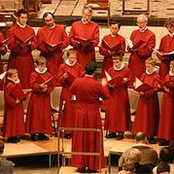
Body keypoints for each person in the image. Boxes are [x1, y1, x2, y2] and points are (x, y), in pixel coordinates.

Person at [70, 61, 109, 173]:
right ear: (94, 72)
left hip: (80, 112)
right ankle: (92, 165)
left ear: (85, 71)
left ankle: (80, 165)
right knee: (92, 137)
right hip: (92, 113)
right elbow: (105, 96)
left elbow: (71, 90)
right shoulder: (96, 84)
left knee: (80, 137)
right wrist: (104, 84)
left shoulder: (78, 81)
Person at [104, 54, 134, 140]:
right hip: (113, 94)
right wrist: (109, 85)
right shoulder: (110, 70)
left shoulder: (126, 70)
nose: (116, 64)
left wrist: (126, 80)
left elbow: (131, 82)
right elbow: (108, 81)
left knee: (120, 113)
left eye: (117, 62)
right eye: (114, 62)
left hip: (121, 94)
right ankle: (112, 131)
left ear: (121, 61)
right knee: (112, 112)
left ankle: (120, 131)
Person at [7, 8, 38, 89]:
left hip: (28, 58)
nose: (24, 20)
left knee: (28, 80)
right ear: (18, 18)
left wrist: (30, 44)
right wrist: (19, 45)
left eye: (26, 18)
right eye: (22, 18)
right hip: (16, 58)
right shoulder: (12, 30)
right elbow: (10, 45)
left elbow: (35, 43)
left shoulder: (30, 29)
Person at [57, 48, 85, 139]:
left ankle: (76, 130)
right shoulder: (63, 66)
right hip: (67, 90)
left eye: (74, 57)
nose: (73, 59)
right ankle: (67, 131)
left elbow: (82, 77)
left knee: (76, 111)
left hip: (76, 92)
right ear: (68, 57)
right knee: (67, 111)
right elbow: (59, 80)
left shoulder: (79, 66)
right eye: (71, 57)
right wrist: (64, 77)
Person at [25, 57, 54, 141]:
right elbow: (32, 84)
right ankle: (34, 133)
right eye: (40, 66)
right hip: (36, 98)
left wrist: (47, 89)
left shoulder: (48, 74)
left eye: (43, 65)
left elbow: (52, 86)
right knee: (36, 116)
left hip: (45, 98)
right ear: (37, 65)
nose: (42, 67)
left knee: (44, 116)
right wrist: (39, 87)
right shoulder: (33, 74)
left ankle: (42, 133)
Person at [132, 57, 160, 144]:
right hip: (143, 100)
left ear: (153, 66)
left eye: (149, 66)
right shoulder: (144, 75)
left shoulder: (156, 76)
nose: (147, 68)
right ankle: (141, 134)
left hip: (151, 101)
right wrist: (136, 86)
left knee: (150, 118)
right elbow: (139, 84)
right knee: (142, 118)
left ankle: (150, 135)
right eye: (146, 66)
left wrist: (146, 93)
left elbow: (155, 88)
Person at [127, 14, 155, 79]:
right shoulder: (134, 33)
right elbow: (129, 46)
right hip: (133, 61)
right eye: (138, 23)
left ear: (146, 22)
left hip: (143, 62)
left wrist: (138, 50)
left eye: (142, 23)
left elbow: (149, 50)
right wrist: (130, 47)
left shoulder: (151, 34)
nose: (140, 25)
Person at [3, 69, 26, 143]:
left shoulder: (17, 83)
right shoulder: (9, 85)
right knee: (12, 121)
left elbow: (20, 92)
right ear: (10, 77)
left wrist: (23, 96)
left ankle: (16, 134)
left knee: (17, 120)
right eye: (14, 76)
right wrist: (14, 101)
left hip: (18, 105)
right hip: (12, 107)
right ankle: (11, 136)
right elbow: (6, 96)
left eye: (17, 76)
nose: (16, 77)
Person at [158, 60, 174, 145]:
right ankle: (165, 138)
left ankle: (171, 138)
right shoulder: (167, 75)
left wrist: (170, 91)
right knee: (165, 119)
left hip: (172, 100)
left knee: (171, 120)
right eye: (171, 67)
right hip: (166, 100)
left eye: (173, 67)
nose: (172, 69)